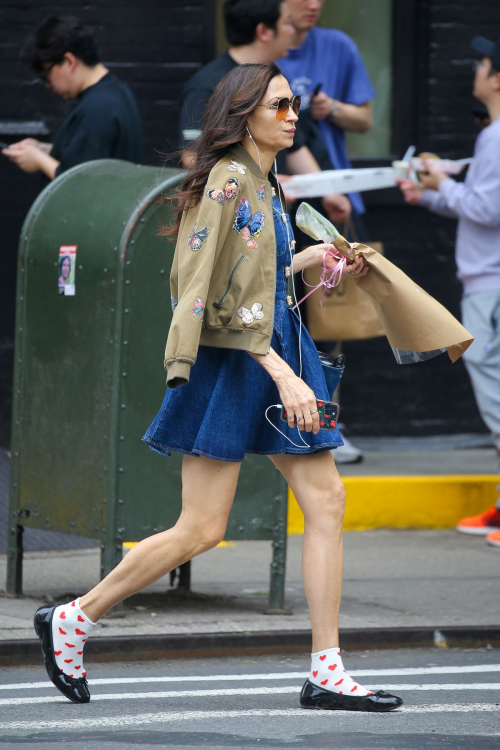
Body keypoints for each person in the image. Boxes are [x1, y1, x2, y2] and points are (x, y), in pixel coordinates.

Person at [34, 62, 403, 713]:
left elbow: (249, 279)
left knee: (326, 499)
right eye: (281, 106)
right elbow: (197, 291)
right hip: (242, 367)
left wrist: (306, 261)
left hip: (268, 358)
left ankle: (327, 667)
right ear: (244, 115)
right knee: (201, 528)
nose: (294, 115)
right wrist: (284, 372)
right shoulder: (230, 183)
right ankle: (75, 617)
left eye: (294, 106)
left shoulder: (265, 183)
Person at [398, 35, 500, 549]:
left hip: (492, 286)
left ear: (497, 77)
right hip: (487, 281)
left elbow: (486, 209)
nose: (476, 70)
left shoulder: (499, 137)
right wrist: (434, 191)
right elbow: (479, 203)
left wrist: (440, 184)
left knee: (494, 388)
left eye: (483, 63)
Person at [180, 0, 351, 227]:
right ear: (264, 31)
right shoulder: (207, 85)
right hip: (235, 221)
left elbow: (295, 146)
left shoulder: (275, 81)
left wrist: (326, 192)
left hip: (277, 216)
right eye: (287, 23)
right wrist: (260, 183)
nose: (293, 31)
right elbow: (193, 157)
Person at [277, 0, 375, 237]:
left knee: (349, 270)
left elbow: (365, 120)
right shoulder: (265, 55)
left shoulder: (339, 45)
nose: (314, 5)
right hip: (282, 194)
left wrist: (332, 109)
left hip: (334, 190)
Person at [2, 16, 143, 180]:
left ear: (69, 61)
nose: (48, 85)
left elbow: (80, 183)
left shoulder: (97, 108)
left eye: (46, 75)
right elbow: (90, 157)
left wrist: (39, 160)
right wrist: (44, 149)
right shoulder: (115, 92)